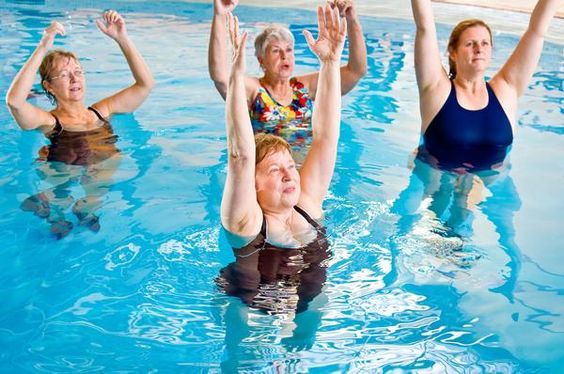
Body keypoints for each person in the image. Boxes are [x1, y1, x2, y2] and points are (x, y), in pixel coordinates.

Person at [216, 4, 345, 314]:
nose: (290, 175)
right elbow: (240, 156)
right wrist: (235, 78)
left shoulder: (306, 203)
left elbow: (326, 136)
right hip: (250, 307)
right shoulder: (246, 223)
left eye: (290, 166)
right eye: (275, 169)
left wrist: (329, 63)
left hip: (305, 297)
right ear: (253, 183)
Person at [6, 10, 154, 238]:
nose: (75, 79)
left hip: (97, 182)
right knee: (60, 199)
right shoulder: (50, 122)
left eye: (78, 72)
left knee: (97, 188)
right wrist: (44, 45)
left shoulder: (101, 111)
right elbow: (15, 101)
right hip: (62, 172)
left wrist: (122, 38)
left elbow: (145, 84)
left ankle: (79, 206)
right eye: (64, 75)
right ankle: (54, 209)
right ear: (49, 86)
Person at [410, 0, 560, 171]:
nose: (479, 49)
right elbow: (424, 27)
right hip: (436, 178)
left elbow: (536, 32)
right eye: (470, 44)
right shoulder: (436, 88)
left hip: (491, 186)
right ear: (452, 52)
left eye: (485, 43)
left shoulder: (506, 89)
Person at [209, 0, 366, 146]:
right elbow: (220, 76)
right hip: (268, 169)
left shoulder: (304, 88)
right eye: (276, 51)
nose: (285, 56)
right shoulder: (255, 90)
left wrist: (351, 19)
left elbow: (356, 71)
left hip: (304, 168)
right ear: (261, 60)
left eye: (289, 50)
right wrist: (219, 16)